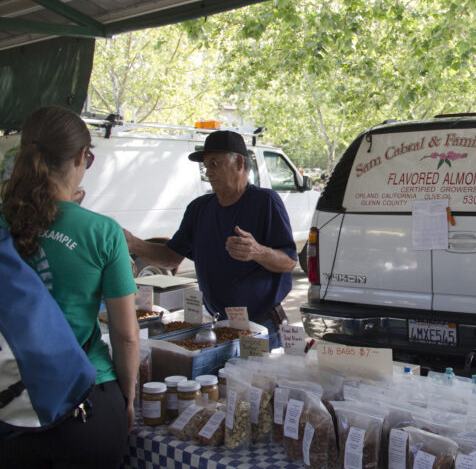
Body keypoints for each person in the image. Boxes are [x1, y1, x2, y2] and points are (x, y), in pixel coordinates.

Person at [0, 106, 139, 467]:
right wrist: (128, 396)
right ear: (81, 156)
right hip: (86, 401)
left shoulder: (4, 222)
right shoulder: (102, 231)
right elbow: (126, 336)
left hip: (10, 402)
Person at [123, 130, 297, 348]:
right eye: (205, 166)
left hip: (260, 327)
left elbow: (289, 262)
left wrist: (257, 251)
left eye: (214, 163)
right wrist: (133, 243)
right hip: (218, 325)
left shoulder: (265, 202)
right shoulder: (199, 209)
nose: (207, 172)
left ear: (239, 163)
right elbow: (171, 258)